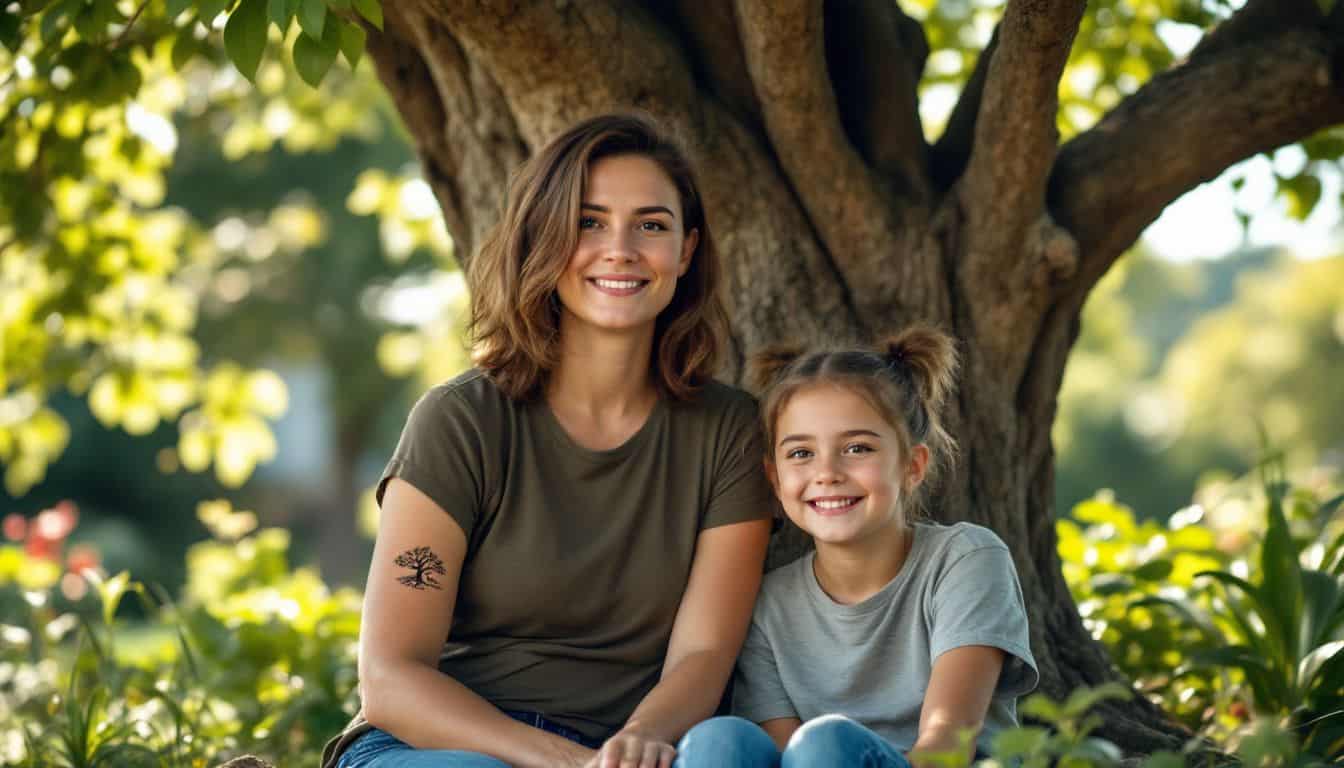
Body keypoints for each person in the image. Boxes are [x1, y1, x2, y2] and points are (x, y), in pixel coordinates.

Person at [322, 113, 773, 768]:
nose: (619, 248)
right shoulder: (460, 422)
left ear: (686, 250)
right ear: (544, 239)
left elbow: (703, 655)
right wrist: (559, 762)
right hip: (445, 747)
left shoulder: (729, 433)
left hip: (628, 752)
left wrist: (637, 742)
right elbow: (391, 678)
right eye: (589, 222)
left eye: (651, 224)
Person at [673, 327, 1039, 768]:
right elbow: (782, 754)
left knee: (825, 744)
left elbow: (948, 743)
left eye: (856, 448)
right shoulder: (768, 605)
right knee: (718, 739)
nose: (827, 472)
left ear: (912, 466)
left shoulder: (965, 561)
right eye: (801, 453)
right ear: (774, 478)